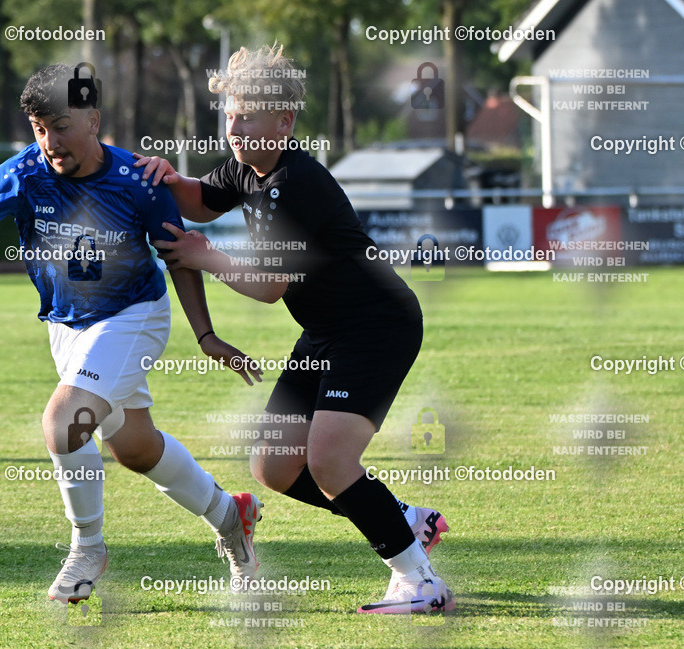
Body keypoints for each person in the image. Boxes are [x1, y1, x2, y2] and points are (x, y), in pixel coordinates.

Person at [0, 63, 264, 604]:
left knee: (64, 422)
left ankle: (87, 548)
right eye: (40, 129)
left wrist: (206, 337)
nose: (50, 142)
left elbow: (178, 257)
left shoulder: (138, 179)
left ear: (93, 120)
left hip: (133, 317)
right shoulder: (24, 173)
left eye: (61, 127)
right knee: (136, 449)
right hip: (66, 327)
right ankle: (232, 516)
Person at [134, 44, 453, 613]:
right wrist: (169, 176)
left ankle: (420, 581)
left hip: (376, 325)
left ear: (284, 122)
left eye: (248, 118)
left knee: (329, 462)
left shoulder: (297, 182)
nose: (235, 130)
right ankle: (402, 520)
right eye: (231, 117)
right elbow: (203, 201)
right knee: (275, 466)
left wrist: (206, 257)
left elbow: (270, 286)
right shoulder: (247, 168)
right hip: (326, 332)